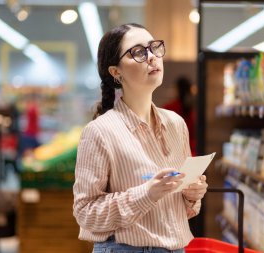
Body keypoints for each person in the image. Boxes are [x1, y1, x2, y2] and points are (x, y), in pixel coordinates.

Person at [73, 23, 208, 252]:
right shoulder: (100, 132)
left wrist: (192, 195)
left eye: (154, 48)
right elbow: (85, 213)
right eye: (138, 52)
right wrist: (147, 193)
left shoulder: (176, 124)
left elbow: (181, 209)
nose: (152, 57)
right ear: (116, 72)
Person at [163, 76, 196, 155]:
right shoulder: (193, 108)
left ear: (177, 89)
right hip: (192, 150)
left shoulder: (169, 108)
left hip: (175, 152)